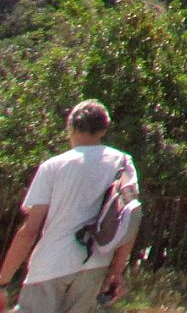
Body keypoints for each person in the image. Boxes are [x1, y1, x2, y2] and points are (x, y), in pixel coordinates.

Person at [0, 101, 140, 313]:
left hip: (50, 264)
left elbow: (29, 231)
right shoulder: (122, 162)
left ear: (71, 127)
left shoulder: (53, 166)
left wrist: (3, 281)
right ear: (104, 129)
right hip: (94, 264)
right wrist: (116, 271)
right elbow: (130, 218)